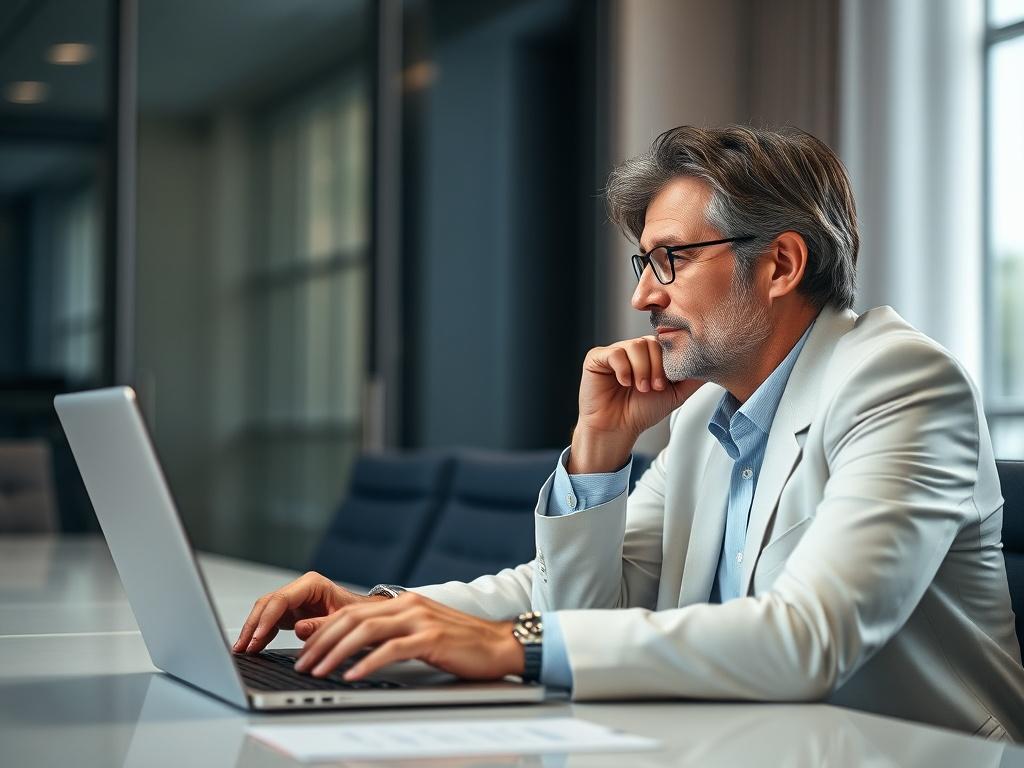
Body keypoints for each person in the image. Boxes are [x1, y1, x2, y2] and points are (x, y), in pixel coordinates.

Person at [233, 125, 1024, 739]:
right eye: (643, 263)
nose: (644, 297)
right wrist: (387, 611)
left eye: (670, 259)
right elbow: (573, 604)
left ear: (781, 264)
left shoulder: (899, 381)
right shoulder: (709, 414)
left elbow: (808, 637)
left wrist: (514, 645)